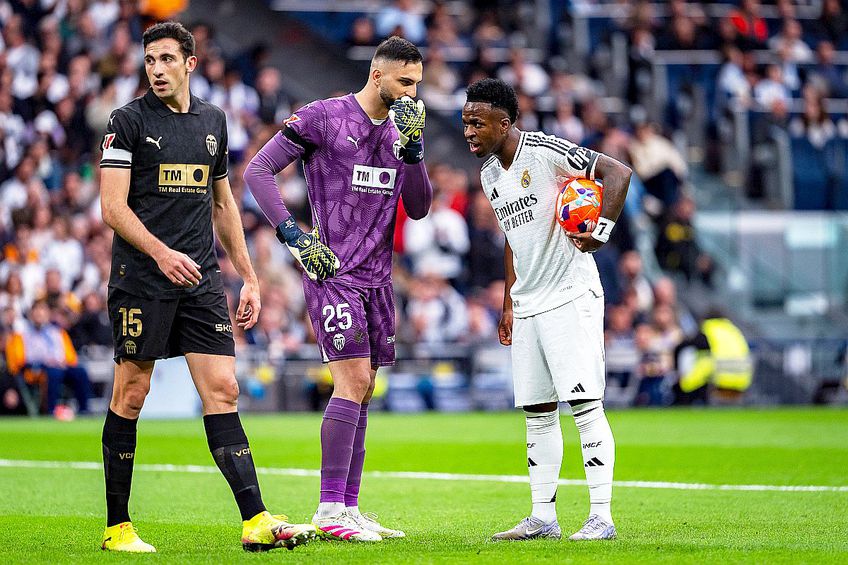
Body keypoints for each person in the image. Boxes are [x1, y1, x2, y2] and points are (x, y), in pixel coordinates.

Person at [97, 22, 315, 553]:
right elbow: (112, 207)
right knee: (132, 393)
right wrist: (160, 253)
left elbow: (223, 204)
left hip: (200, 280)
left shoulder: (213, 121)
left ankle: (255, 519)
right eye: (150, 60)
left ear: (190, 63)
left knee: (224, 390)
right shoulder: (126, 121)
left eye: (168, 59)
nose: (157, 69)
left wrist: (249, 276)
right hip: (142, 280)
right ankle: (117, 528)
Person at [243, 36, 433, 542]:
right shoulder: (325, 117)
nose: (413, 93)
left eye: (418, 84)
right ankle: (329, 508)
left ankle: (348, 507)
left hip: (378, 278)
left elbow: (418, 208)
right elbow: (258, 170)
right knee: (351, 383)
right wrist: (294, 237)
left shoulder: (403, 131)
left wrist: (414, 150)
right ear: (377, 75)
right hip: (332, 271)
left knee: (364, 389)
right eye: (405, 82)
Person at [462, 78, 632, 542]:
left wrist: (600, 230)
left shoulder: (544, 151)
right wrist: (507, 302)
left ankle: (601, 517)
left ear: (504, 123)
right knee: (537, 411)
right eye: (465, 123)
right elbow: (512, 240)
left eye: (477, 123)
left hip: (570, 293)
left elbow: (617, 173)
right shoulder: (489, 175)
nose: (469, 131)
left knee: (584, 404)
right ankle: (543, 518)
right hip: (528, 302)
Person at [5, 299, 91, 416]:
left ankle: (84, 409)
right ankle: (51, 410)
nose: (40, 314)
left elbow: (71, 357)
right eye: (37, 311)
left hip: (60, 366)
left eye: (43, 311)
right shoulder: (23, 334)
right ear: (31, 314)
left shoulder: (57, 332)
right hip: (36, 368)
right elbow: (20, 358)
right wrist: (46, 361)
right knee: (54, 373)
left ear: (48, 314)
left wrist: (61, 362)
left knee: (80, 372)